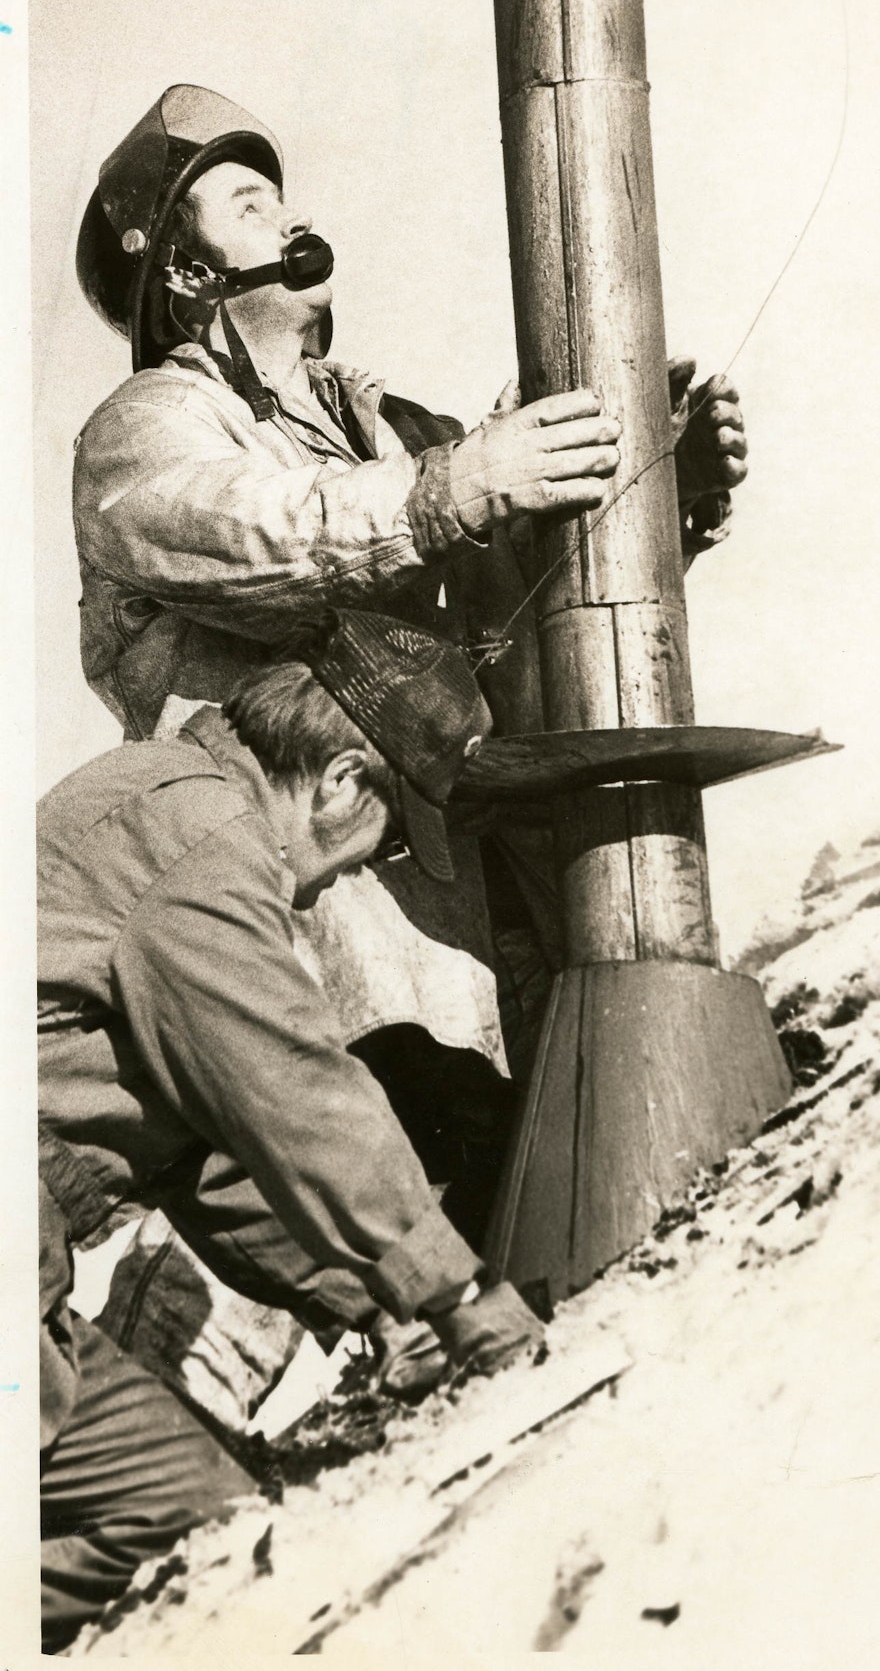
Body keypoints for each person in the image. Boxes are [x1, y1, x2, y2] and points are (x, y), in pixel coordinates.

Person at [70, 83, 747, 1420]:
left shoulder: (376, 429)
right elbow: (267, 536)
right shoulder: (149, 427)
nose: (282, 197)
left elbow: (501, 603)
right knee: (403, 1185)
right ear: (184, 265)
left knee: (543, 1194)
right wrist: (456, 485)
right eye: (238, 189)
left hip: (461, 902)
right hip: (322, 920)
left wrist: (659, 490)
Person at [39, 608, 543, 1652]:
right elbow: (291, 1088)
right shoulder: (202, 840)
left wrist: (382, 1305)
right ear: (344, 780)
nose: (358, 872)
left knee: (193, 1504)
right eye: (387, 839)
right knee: (176, 1519)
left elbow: (209, 1155)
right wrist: (456, 1293)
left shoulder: (161, 805)